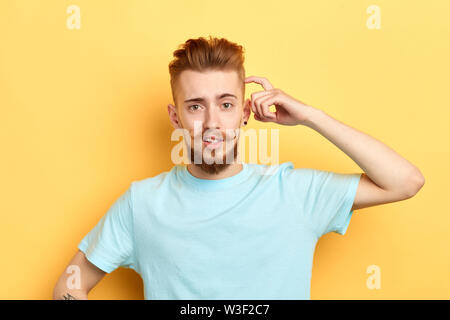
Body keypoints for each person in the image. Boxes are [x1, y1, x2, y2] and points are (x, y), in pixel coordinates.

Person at [53, 36, 425, 300]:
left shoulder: (294, 192)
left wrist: (311, 116)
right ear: (175, 116)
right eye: (196, 106)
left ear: (245, 113)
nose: (212, 121)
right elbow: (70, 285)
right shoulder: (141, 203)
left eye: (227, 104)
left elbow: (405, 181)